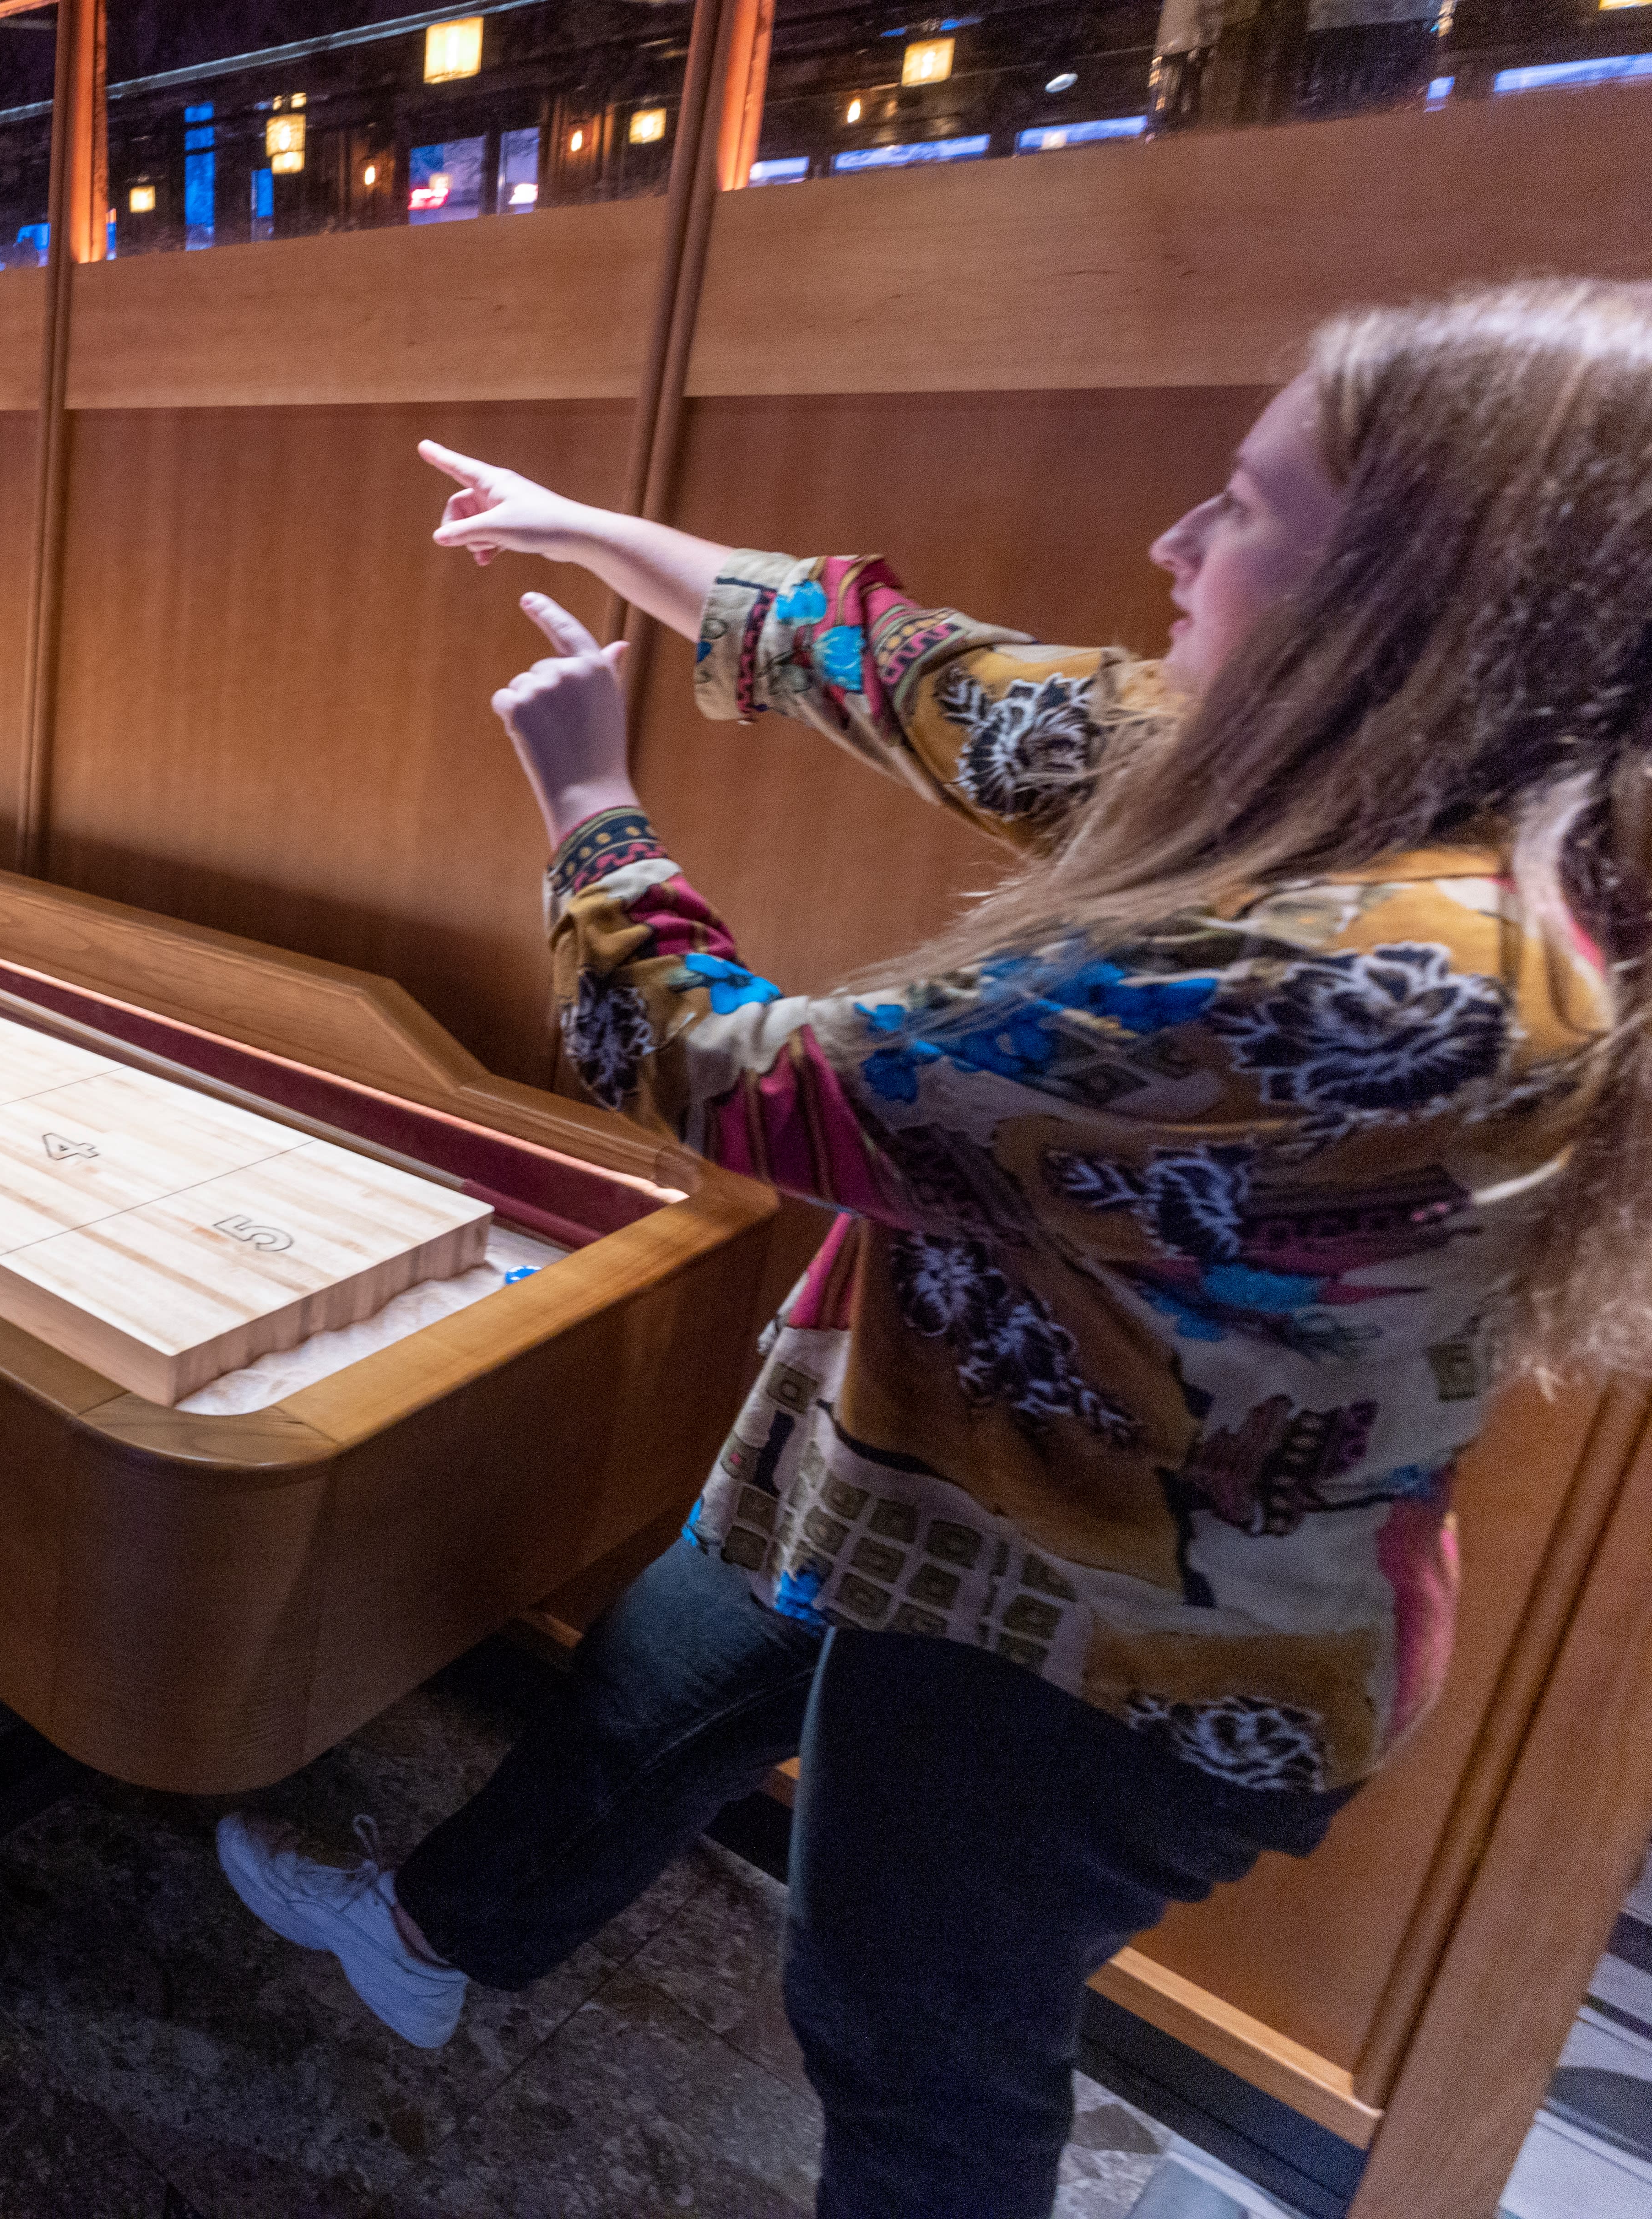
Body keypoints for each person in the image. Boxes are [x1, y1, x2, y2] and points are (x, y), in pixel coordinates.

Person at [216, 277, 1652, 2217]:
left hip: (1109, 1646)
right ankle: (435, 1934)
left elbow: (745, 1084)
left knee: (912, 2042)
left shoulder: (1390, 966)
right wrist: (593, 531)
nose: (1170, 542)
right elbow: (907, 668)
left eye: (1236, 509)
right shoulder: (1306, 771)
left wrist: (590, 804)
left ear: (1407, 597)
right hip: (925, 1472)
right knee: (662, 1673)